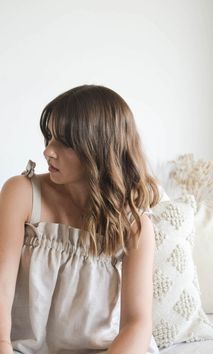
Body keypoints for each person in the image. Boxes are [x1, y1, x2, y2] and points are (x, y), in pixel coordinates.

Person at [0, 84, 161, 354]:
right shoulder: (22, 194)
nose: (48, 151)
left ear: (99, 149)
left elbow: (137, 323)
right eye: (49, 137)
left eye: (64, 143)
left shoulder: (135, 226)